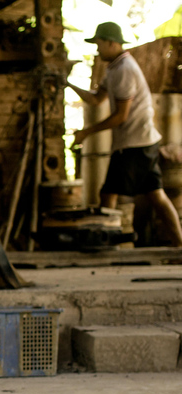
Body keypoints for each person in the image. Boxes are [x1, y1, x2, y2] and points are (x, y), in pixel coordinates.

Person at [67, 22, 182, 247]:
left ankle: (107, 245)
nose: (97, 49)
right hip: (142, 142)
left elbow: (121, 116)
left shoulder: (124, 70)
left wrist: (86, 134)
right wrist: (67, 83)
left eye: (99, 44)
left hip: (134, 144)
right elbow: (95, 99)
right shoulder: (114, 69)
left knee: (109, 194)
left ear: (112, 43)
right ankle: (179, 243)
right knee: (156, 196)